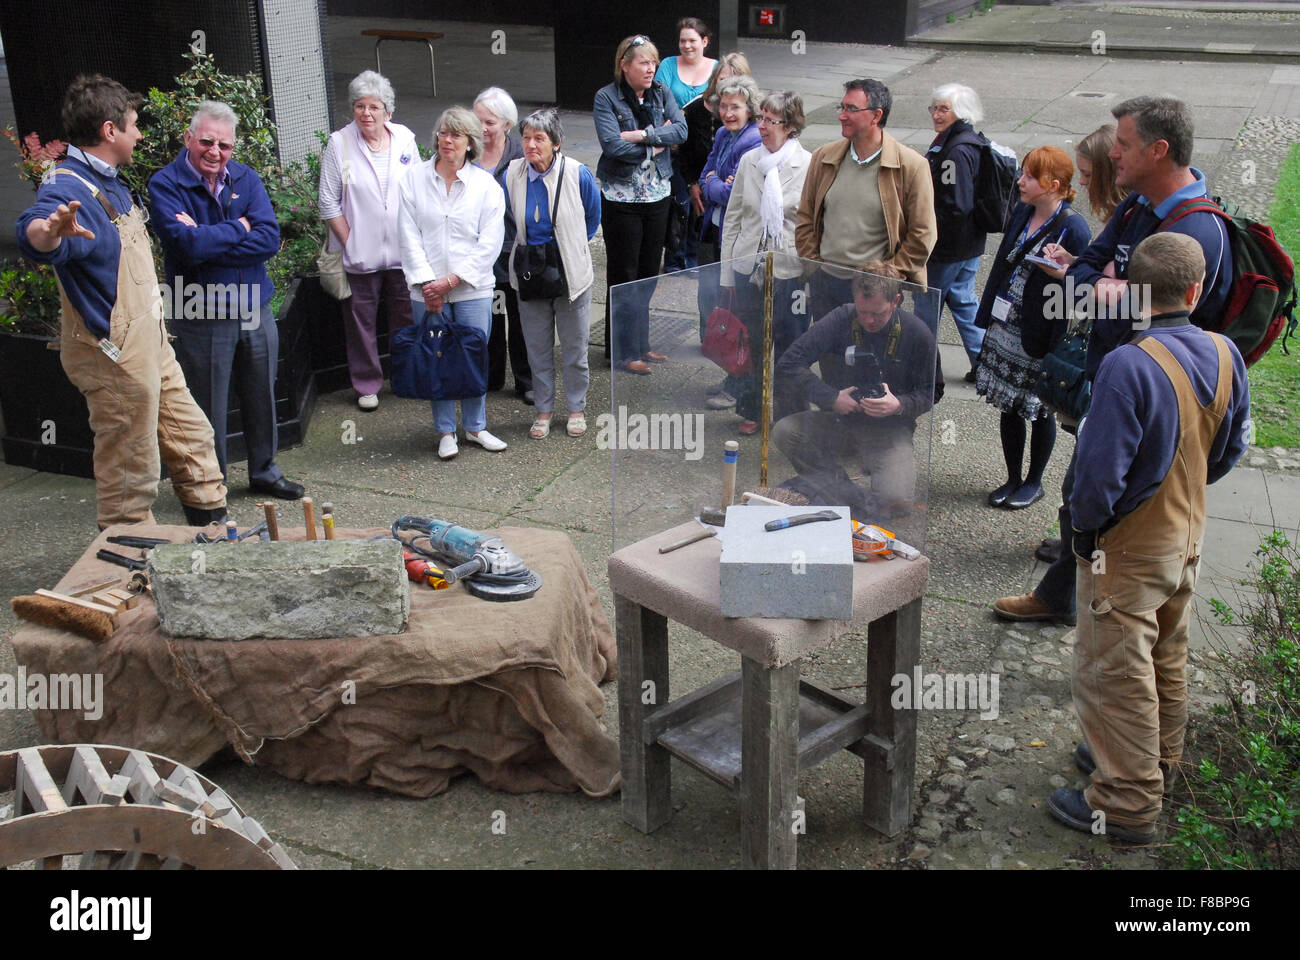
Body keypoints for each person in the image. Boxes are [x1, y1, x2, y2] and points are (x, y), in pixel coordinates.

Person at [993, 96, 1233, 626]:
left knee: (1109, 499)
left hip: (1152, 392)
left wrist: (1103, 287)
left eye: (1123, 144)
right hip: (1112, 375)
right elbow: (1086, 272)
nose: (1113, 153)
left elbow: (1162, 312)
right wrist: (1104, 285)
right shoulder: (1137, 204)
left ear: (1159, 150)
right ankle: (1067, 593)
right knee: (1081, 490)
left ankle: (1108, 611)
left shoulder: (1198, 230)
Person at [1047, 232, 1249, 842]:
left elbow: (1095, 479)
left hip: (1127, 548)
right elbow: (1230, 449)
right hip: (1187, 535)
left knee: (1114, 671)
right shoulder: (1225, 353)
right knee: (1166, 655)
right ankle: (1156, 760)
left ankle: (1127, 800)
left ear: (1133, 293)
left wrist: (1087, 533)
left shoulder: (1126, 366)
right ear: (1196, 290)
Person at [17, 75, 227, 529]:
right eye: (133, 125)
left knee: (194, 441)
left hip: (150, 343)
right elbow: (35, 230)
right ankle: (120, 562)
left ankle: (211, 539)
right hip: (112, 353)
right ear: (110, 131)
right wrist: (48, 232)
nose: (139, 134)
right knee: (131, 468)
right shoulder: (68, 188)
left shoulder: (108, 182)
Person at [150, 101, 305, 501]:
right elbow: (186, 247)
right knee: (207, 408)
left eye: (225, 145)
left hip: (254, 306)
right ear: (189, 139)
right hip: (200, 310)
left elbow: (268, 239)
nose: (216, 152)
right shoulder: (165, 184)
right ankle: (210, 483)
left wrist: (208, 237)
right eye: (207, 142)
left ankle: (265, 472)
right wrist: (239, 226)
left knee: (261, 395)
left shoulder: (246, 178)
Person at [1022, 123, 1125, 567]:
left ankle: (1071, 573)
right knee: (1079, 478)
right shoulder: (1125, 217)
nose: (1081, 183)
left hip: (1122, 371)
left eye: (1086, 173)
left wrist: (1076, 278)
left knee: (1085, 480)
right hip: (1108, 362)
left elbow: (1140, 305)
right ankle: (1067, 568)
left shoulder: (1135, 223)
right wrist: (1080, 270)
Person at [973, 146, 1090, 511]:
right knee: (1008, 405)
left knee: (1039, 409)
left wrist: (1065, 271)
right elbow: (1001, 267)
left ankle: (1034, 482)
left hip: (1041, 335)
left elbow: (1084, 289)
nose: (1020, 181)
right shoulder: (1023, 212)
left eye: (1029, 176)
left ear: (1054, 185)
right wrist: (988, 314)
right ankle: (1012, 477)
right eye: (1022, 173)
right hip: (1007, 328)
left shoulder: (1074, 226)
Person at [773, 262, 939, 515]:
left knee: (896, 504)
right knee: (786, 431)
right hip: (842, 420)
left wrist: (900, 405)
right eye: (862, 311)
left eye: (878, 313)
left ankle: (847, 493)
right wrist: (830, 398)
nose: (868, 320)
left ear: (895, 301)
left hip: (889, 430)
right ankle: (843, 490)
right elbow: (788, 364)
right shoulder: (842, 318)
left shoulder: (917, 333)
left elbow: (932, 391)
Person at [397, 106, 507, 460]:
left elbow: (489, 242)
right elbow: (407, 235)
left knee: (474, 356)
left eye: (456, 135)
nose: (447, 140)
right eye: (443, 133)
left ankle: (476, 427)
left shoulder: (486, 186)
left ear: (470, 143)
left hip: (472, 289)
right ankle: (446, 431)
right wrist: (430, 285)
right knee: (437, 358)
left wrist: (451, 281)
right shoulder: (413, 179)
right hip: (426, 290)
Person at [795, 78, 936, 323]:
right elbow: (805, 217)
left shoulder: (911, 166)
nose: (842, 116)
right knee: (830, 359)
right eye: (842, 107)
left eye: (851, 109)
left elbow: (923, 234)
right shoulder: (823, 157)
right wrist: (814, 268)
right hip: (825, 284)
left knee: (873, 359)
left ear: (876, 116)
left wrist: (888, 278)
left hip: (875, 293)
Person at [319, 70, 419, 412]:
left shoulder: (405, 138)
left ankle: (407, 377)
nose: (366, 113)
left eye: (374, 107)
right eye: (360, 106)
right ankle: (366, 384)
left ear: (387, 111)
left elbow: (419, 190)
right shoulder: (339, 143)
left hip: (403, 253)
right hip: (359, 255)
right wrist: (351, 242)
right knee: (360, 321)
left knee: (405, 318)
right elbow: (328, 202)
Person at [503, 109, 602, 440]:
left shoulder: (578, 174)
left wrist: (569, 249)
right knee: (537, 348)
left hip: (569, 273)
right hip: (531, 272)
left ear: (556, 143)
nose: (530, 145)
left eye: (539, 139)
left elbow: (592, 217)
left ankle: (576, 408)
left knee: (574, 349)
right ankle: (543, 410)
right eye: (526, 138)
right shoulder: (512, 174)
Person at [715, 90, 811, 432]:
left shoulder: (808, 165)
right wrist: (727, 274)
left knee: (791, 347)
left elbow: (811, 224)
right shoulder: (749, 161)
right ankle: (754, 410)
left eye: (773, 121)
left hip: (790, 270)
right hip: (748, 268)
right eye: (762, 119)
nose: (765, 126)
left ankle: (790, 414)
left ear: (791, 127)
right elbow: (734, 218)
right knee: (753, 342)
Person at [594, 34, 688, 375]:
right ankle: (620, 351)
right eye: (643, 62)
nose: (650, 69)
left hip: (658, 196)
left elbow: (681, 130)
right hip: (622, 200)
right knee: (624, 274)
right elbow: (612, 146)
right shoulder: (606, 97)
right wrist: (657, 143)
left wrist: (642, 136)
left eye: (653, 62)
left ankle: (641, 344)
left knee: (648, 273)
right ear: (625, 65)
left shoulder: (662, 92)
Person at [694, 74, 761, 430]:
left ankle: (738, 384)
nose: (727, 112)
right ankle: (732, 377)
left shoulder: (751, 140)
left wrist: (714, 185)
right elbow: (708, 178)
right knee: (718, 306)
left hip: (736, 238)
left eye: (735, 106)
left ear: (750, 109)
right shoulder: (722, 135)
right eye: (723, 105)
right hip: (716, 230)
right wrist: (715, 182)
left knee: (736, 313)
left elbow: (729, 194)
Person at [473, 86, 533, 403]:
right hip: (481, 251)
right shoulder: (467, 155)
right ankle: (491, 377)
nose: (482, 128)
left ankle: (526, 382)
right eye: (478, 120)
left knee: (521, 318)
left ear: (506, 125)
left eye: (490, 123)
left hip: (514, 249)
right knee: (491, 315)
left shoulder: (520, 156)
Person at [926, 84, 989, 381]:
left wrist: (925, 227)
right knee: (964, 302)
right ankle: (985, 364)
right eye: (934, 108)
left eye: (943, 109)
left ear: (959, 112)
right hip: (969, 243)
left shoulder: (955, 150)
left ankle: (921, 369)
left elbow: (956, 204)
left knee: (926, 308)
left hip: (949, 248)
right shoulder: (967, 140)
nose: (936, 114)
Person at [657, 16, 717, 271]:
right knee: (679, 202)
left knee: (702, 204)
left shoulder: (717, 68)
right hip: (676, 148)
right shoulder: (669, 65)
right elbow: (657, 98)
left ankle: (694, 257)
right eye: (682, 40)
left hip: (705, 146)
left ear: (704, 41)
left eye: (692, 40)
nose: (687, 45)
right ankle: (674, 258)